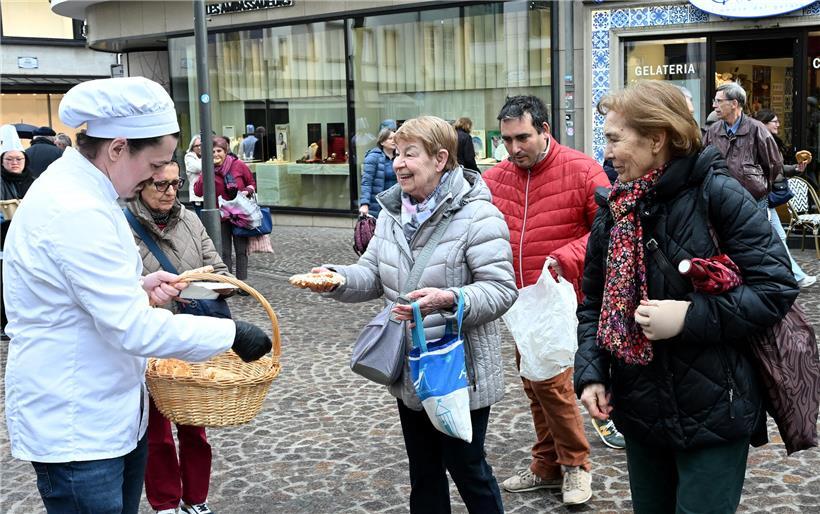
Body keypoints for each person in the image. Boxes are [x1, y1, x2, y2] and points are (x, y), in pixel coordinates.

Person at [2, 76, 271, 514]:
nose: (158, 177)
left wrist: (136, 287)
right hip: (79, 423)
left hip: (104, 411)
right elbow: (130, 327)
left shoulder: (86, 193)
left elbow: (81, 289)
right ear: (118, 148)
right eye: (154, 165)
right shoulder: (76, 208)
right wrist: (228, 334)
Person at [575, 80, 798, 514]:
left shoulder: (718, 194)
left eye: (615, 138)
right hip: (640, 409)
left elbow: (776, 287)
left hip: (716, 408)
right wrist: (592, 371)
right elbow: (592, 303)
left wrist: (688, 317)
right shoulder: (616, 209)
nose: (606, 152)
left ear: (657, 138)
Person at [301, 115, 517, 514]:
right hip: (412, 369)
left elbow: (502, 290)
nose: (398, 163)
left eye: (409, 154)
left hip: (457, 368)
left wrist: (450, 298)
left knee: (466, 466)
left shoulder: (479, 216)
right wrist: (337, 279)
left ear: (439, 159)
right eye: (396, 153)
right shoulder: (392, 214)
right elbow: (370, 273)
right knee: (424, 471)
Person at [482, 95, 610, 506]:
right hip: (517, 304)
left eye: (522, 137)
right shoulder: (496, 178)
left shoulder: (583, 169)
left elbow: (611, 230)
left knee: (552, 384)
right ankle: (547, 465)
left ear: (545, 130)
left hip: (565, 299)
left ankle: (575, 465)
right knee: (534, 385)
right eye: (506, 140)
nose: (514, 148)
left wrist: (566, 259)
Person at [126, 160, 229, 514]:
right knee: (156, 431)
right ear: (141, 185)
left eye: (176, 183)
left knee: (194, 425)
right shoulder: (122, 225)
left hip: (190, 336)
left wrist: (202, 287)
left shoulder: (190, 219)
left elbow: (220, 271)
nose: (171, 191)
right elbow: (116, 290)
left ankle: (196, 499)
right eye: (161, 185)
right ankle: (166, 502)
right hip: (151, 341)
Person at [752, 108, 816, 288]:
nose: (778, 124)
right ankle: (792, 276)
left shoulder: (769, 141)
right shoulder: (760, 141)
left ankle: (790, 276)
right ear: (764, 123)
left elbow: (776, 167)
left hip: (765, 198)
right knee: (777, 239)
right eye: (774, 121)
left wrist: (795, 168)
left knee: (778, 238)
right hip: (761, 197)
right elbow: (766, 169)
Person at [703, 82, 783, 211]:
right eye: (714, 101)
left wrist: (760, 184)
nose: (714, 105)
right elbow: (704, 161)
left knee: (755, 231)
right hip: (721, 197)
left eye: (718, 101)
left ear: (734, 104)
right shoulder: (713, 130)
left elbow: (774, 163)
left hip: (753, 198)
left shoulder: (757, 129)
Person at [194, 136, 256, 280]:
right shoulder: (208, 169)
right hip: (221, 217)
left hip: (240, 215)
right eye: (213, 151)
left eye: (219, 150)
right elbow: (198, 192)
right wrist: (205, 171)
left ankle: (242, 282)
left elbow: (252, 182)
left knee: (241, 250)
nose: (216, 154)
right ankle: (228, 281)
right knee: (224, 252)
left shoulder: (238, 165)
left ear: (226, 151)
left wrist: (247, 191)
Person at [1, 149, 35, 338]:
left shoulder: (34, 181)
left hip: (30, 239)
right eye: (9, 159)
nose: (14, 163)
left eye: (18, 159)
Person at [359, 127, 397, 218]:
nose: (394, 141)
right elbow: (366, 182)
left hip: (396, 203)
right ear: (382, 142)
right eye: (390, 138)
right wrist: (364, 204)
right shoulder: (373, 157)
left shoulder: (399, 157)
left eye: (395, 139)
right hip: (378, 204)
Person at [185, 135, 204, 210]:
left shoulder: (208, 155)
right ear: (192, 147)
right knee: (202, 220)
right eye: (196, 146)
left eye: (201, 145)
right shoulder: (189, 156)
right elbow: (199, 168)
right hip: (197, 197)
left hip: (210, 196)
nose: (199, 147)